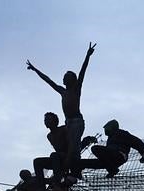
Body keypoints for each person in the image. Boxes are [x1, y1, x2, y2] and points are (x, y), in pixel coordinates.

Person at [27, 42, 96, 180]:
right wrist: (35, 70)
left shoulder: (76, 90)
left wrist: (87, 56)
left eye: (66, 77)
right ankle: (72, 170)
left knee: (74, 145)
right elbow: (48, 80)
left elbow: (83, 71)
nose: (63, 79)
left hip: (76, 121)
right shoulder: (62, 91)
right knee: (71, 146)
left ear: (72, 80)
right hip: (68, 122)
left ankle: (74, 171)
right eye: (64, 77)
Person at [33, 112, 97, 189]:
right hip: (59, 159)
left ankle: (57, 180)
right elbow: (57, 150)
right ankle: (41, 188)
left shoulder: (63, 129)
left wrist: (68, 158)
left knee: (54, 155)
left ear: (55, 121)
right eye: (45, 120)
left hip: (70, 156)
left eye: (48, 119)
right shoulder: (49, 136)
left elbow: (71, 144)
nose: (46, 121)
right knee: (37, 161)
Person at [79, 119, 144, 177]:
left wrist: (143, 154)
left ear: (111, 127)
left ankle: (112, 169)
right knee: (81, 162)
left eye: (106, 128)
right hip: (109, 161)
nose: (105, 130)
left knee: (95, 148)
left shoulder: (121, 133)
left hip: (119, 155)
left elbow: (136, 142)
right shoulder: (110, 138)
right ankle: (74, 176)